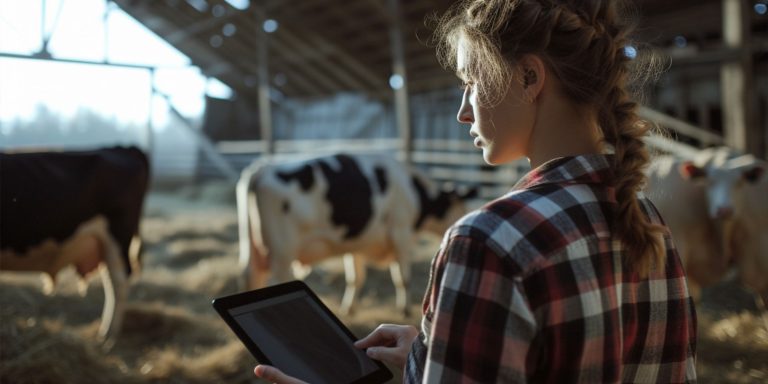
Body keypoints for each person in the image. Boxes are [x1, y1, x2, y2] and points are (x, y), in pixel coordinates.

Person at [254, 0, 697, 382]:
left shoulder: (488, 242)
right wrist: (427, 359)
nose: (464, 113)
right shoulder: (647, 221)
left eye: (471, 82)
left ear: (528, 77)